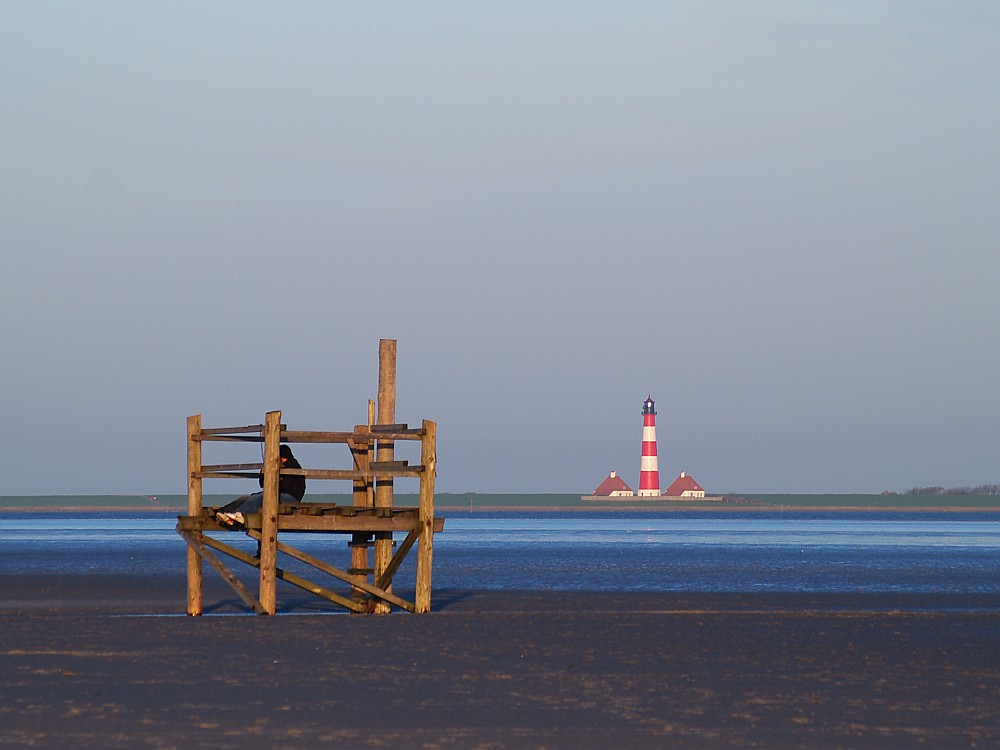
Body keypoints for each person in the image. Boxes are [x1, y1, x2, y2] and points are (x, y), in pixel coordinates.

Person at [215, 444, 306, 528]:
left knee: (260, 497)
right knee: (246, 498)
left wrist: (273, 481)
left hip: (291, 497)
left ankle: (240, 515)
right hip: (277, 494)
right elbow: (263, 484)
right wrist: (264, 471)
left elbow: (283, 486)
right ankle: (223, 512)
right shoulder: (277, 466)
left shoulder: (292, 466)